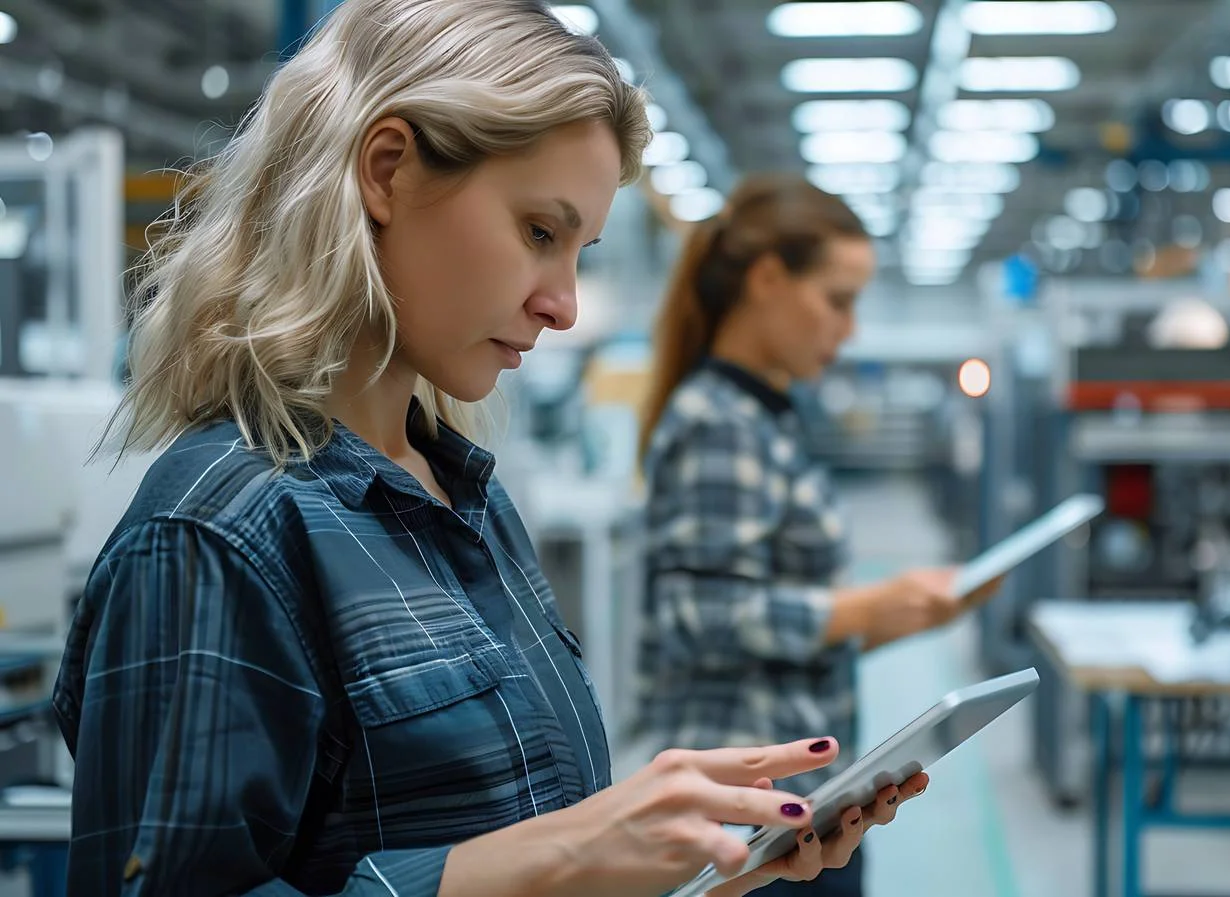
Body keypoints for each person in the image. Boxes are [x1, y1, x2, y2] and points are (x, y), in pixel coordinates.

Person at [52, 4, 928, 895]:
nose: (565, 305)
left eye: (580, 251)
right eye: (540, 232)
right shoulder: (217, 535)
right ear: (387, 171)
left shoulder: (462, 500)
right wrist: (561, 856)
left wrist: (680, 871)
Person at [635, 175, 998, 897]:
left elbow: (774, 625)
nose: (849, 328)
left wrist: (899, 614)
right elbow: (700, 614)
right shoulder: (719, 424)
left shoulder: (765, 418)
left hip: (795, 805)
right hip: (745, 818)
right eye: (837, 300)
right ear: (768, 279)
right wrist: (865, 607)